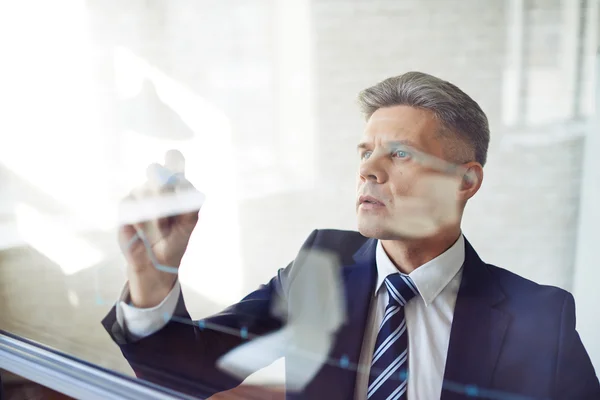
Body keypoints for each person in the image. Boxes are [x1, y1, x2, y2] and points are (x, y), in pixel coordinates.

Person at [102, 72, 600, 399]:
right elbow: (184, 370)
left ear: (465, 181)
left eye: (399, 154)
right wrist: (152, 274)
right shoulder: (319, 267)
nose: (369, 170)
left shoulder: (539, 316)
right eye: (365, 152)